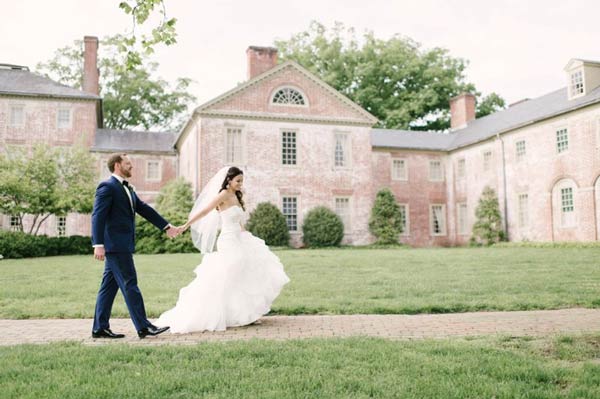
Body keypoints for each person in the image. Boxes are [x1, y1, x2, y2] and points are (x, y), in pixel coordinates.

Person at [156, 166, 290, 333]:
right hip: (227, 240)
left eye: (242, 181)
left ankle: (245, 314)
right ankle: (216, 312)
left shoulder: (237, 196)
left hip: (239, 238)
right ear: (229, 180)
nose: (241, 184)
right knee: (230, 272)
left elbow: (240, 222)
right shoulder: (223, 195)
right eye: (238, 181)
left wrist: (245, 234)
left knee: (246, 272)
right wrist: (185, 225)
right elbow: (204, 211)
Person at [91, 153, 182, 339]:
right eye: (128, 164)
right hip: (116, 246)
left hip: (121, 245)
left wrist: (166, 227)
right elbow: (97, 216)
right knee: (130, 283)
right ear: (117, 165)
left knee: (108, 287)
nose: (132, 167)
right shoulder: (107, 187)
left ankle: (100, 327)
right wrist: (98, 244)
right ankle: (143, 326)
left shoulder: (128, 188)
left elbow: (143, 209)